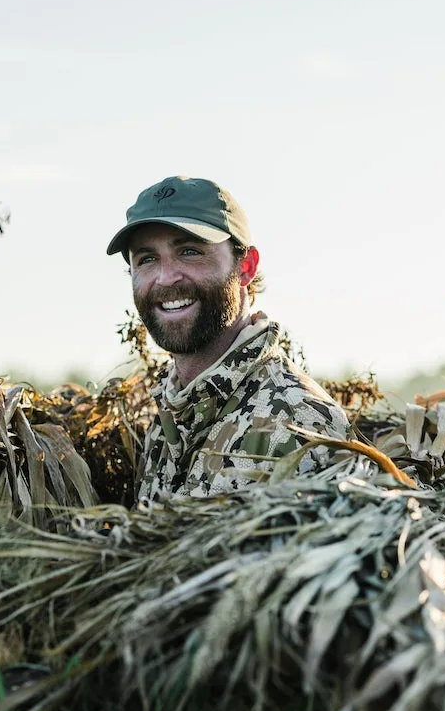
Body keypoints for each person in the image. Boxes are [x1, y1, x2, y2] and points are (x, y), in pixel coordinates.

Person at [106, 175, 350, 503]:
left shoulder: (298, 423)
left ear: (246, 267)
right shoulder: (168, 416)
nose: (166, 278)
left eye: (190, 251)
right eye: (147, 259)